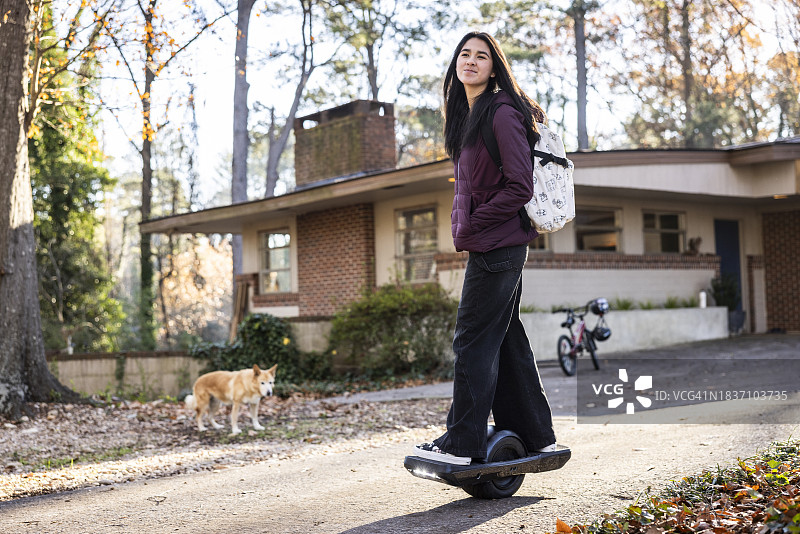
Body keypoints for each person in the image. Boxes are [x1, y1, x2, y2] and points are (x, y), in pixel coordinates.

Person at [413, 31, 557, 466]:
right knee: (506, 339)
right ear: (456, 64)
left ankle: (463, 443)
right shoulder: (470, 115)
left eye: (482, 56)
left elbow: (520, 186)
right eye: (465, 54)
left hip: (499, 245)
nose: (471, 61)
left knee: (471, 341)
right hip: (493, 245)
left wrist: (475, 222)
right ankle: (536, 436)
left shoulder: (501, 112)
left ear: (494, 67)